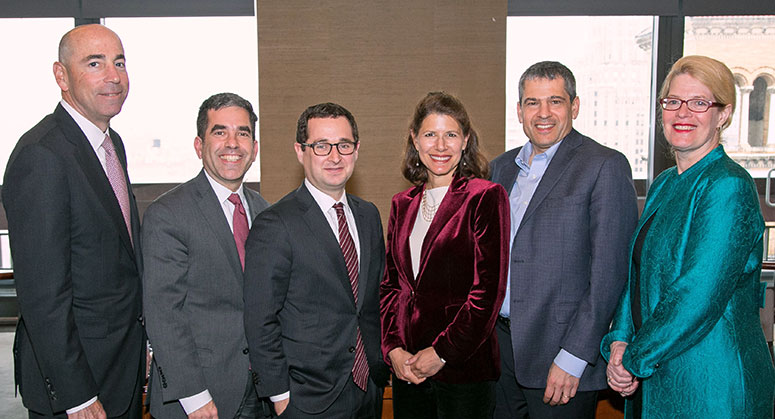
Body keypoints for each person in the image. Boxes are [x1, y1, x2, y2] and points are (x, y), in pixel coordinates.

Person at [602, 55, 775, 418]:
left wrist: (634, 357)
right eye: (673, 102)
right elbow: (637, 274)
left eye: (699, 103)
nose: (683, 113)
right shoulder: (665, 184)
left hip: (710, 380)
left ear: (723, 114)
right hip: (654, 371)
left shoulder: (727, 185)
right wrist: (618, 340)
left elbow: (698, 293)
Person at [2, 24, 145, 418]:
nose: (113, 76)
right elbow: (42, 294)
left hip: (121, 369)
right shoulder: (42, 155)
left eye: (119, 62)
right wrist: (76, 396)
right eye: (94, 63)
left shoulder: (111, 144)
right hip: (79, 389)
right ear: (61, 76)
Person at [491, 61, 638, 419]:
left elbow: (610, 275)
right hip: (499, 353)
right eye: (532, 103)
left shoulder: (604, 165)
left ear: (574, 106)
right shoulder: (500, 168)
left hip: (559, 356)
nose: (543, 113)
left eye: (555, 102)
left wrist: (574, 357)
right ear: (519, 110)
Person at [243, 103, 388, 418]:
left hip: (368, 390)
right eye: (321, 146)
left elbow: (374, 301)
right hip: (306, 399)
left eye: (344, 145)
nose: (335, 156)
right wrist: (279, 396)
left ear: (356, 150)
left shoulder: (368, 216)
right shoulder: (275, 224)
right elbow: (260, 319)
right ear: (300, 151)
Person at [380, 91, 510, 418]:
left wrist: (440, 353)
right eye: (430, 135)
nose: (440, 146)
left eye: (450, 134)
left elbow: (487, 294)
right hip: (409, 369)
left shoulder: (485, 197)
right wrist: (393, 348)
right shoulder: (402, 203)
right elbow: (391, 287)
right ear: (415, 140)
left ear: (465, 140)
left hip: (463, 368)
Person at [142, 93, 271, 419]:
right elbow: (163, 313)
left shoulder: (265, 212)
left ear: (254, 149)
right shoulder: (168, 214)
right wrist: (194, 396)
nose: (233, 143)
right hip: (199, 398)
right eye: (220, 132)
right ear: (199, 146)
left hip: (261, 393)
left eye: (243, 133)